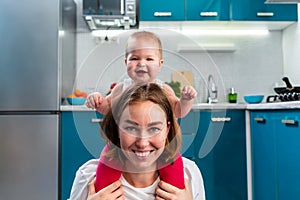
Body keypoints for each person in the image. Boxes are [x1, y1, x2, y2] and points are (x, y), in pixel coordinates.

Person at [69, 83, 205, 200]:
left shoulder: (189, 174)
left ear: (167, 129)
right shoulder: (88, 176)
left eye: (154, 129)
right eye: (131, 128)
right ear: (117, 129)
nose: (142, 142)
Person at [85, 30, 197, 118]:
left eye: (149, 59)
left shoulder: (163, 90)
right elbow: (107, 108)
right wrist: (97, 100)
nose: (141, 63)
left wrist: (186, 100)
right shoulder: (121, 89)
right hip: (124, 143)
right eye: (134, 58)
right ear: (126, 62)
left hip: (153, 144)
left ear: (160, 64)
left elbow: (178, 111)